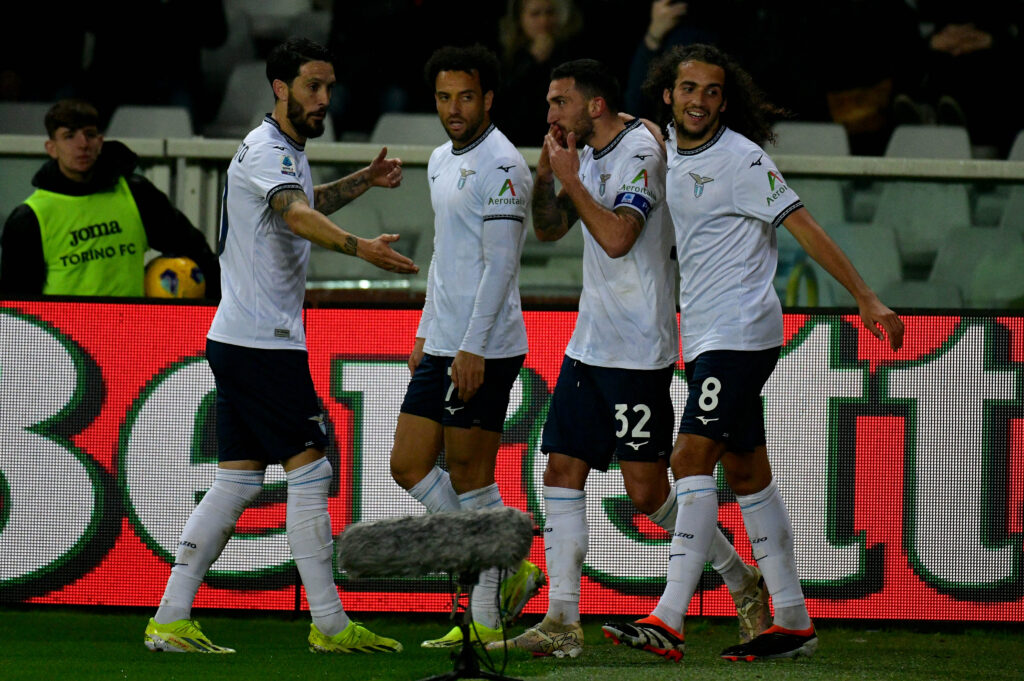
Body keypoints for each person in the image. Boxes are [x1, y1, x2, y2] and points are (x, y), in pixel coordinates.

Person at [602, 43, 905, 662]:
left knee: (689, 458)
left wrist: (866, 298)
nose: (699, 101)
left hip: (742, 331)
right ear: (668, 95)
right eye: (689, 89)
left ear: (725, 100)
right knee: (745, 474)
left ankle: (669, 616)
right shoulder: (667, 154)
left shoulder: (742, 159)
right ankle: (792, 620)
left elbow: (804, 224)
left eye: (712, 92)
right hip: (709, 333)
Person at [487, 58, 769, 660]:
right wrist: (548, 174)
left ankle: (740, 578)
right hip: (588, 344)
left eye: (558, 101)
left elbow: (619, 238)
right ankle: (562, 618)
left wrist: (574, 177)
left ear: (593, 105)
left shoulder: (642, 149)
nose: (549, 114)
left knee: (646, 493)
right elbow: (548, 229)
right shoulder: (584, 151)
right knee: (560, 471)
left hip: (639, 350)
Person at [143, 37, 418, 655]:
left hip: (243, 337)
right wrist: (360, 248)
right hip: (261, 343)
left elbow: (300, 204)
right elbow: (295, 216)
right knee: (312, 468)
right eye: (313, 86)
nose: (324, 98)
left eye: (329, 86)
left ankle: (169, 617)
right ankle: (329, 624)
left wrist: (363, 182)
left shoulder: (284, 150)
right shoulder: (268, 150)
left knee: (237, 482)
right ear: (280, 88)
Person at [388, 44, 543, 650]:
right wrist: (428, 330)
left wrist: (472, 348)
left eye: (467, 96)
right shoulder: (438, 159)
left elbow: (501, 266)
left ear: (490, 98)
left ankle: (482, 620)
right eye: (444, 97)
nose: (454, 109)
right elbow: (444, 254)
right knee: (408, 464)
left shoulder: (504, 166)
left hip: (485, 346)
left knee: (473, 480)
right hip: (447, 341)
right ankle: (512, 568)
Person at [0, 99, 220, 298]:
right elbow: (17, 304)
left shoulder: (137, 194)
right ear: (51, 148)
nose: (82, 144)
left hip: (130, 334)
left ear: (100, 141)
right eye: (69, 136)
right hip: (61, 339)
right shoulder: (30, 219)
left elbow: (195, 250)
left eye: (90, 134)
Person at [497, 0, 583, 146]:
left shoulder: (572, 52)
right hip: (519, 144)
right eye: (535, 14)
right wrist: (532, 61)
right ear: (520, 19)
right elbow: (504, 102)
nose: (544, 21)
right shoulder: (507, 58)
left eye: (549, 13)